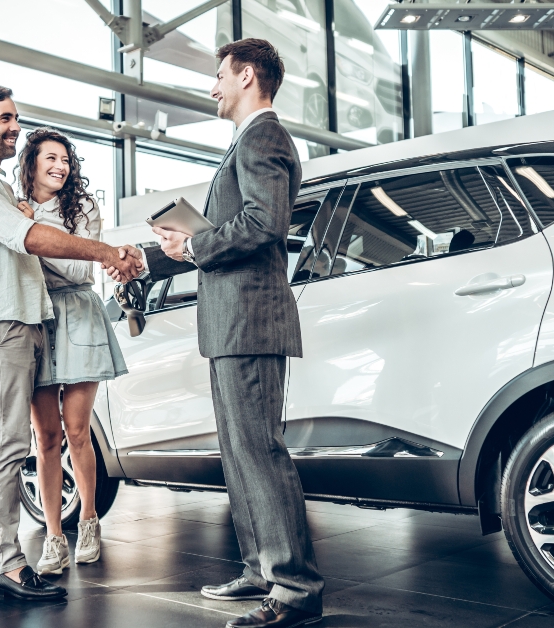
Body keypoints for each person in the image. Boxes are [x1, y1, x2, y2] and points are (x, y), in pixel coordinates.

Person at [105, 39, 324, 628]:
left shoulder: (264, 138)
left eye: (219, 76)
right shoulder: (247, 143)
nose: (213, 87)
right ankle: (260, 568)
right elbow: (227, 231)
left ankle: (295, 589)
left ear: (247, 75)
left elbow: (262, 224)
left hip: (250, 322)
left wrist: (196, 243)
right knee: (240, 453)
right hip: (231, 324)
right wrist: (158, 254)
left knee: (259, 452)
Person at [0, 85, 142, 601]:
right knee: (12, 443)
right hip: (4, 324)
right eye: (5, 119)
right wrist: (103, 252)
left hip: (18, 321)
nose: (14, 127)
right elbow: (28, 238)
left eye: (16, 119)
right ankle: (9, 563)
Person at [19, 127, 126, 575]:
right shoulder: (14, 204)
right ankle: (54, 536)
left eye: (65, 159)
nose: (60, 166)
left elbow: (77, 267)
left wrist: (33, 231)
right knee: (45, 438)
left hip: (79, 314)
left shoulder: (82, 207)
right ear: (32, 164)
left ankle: (88, 522)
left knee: (78, 431)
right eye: (51, 158)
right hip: (36, 316)